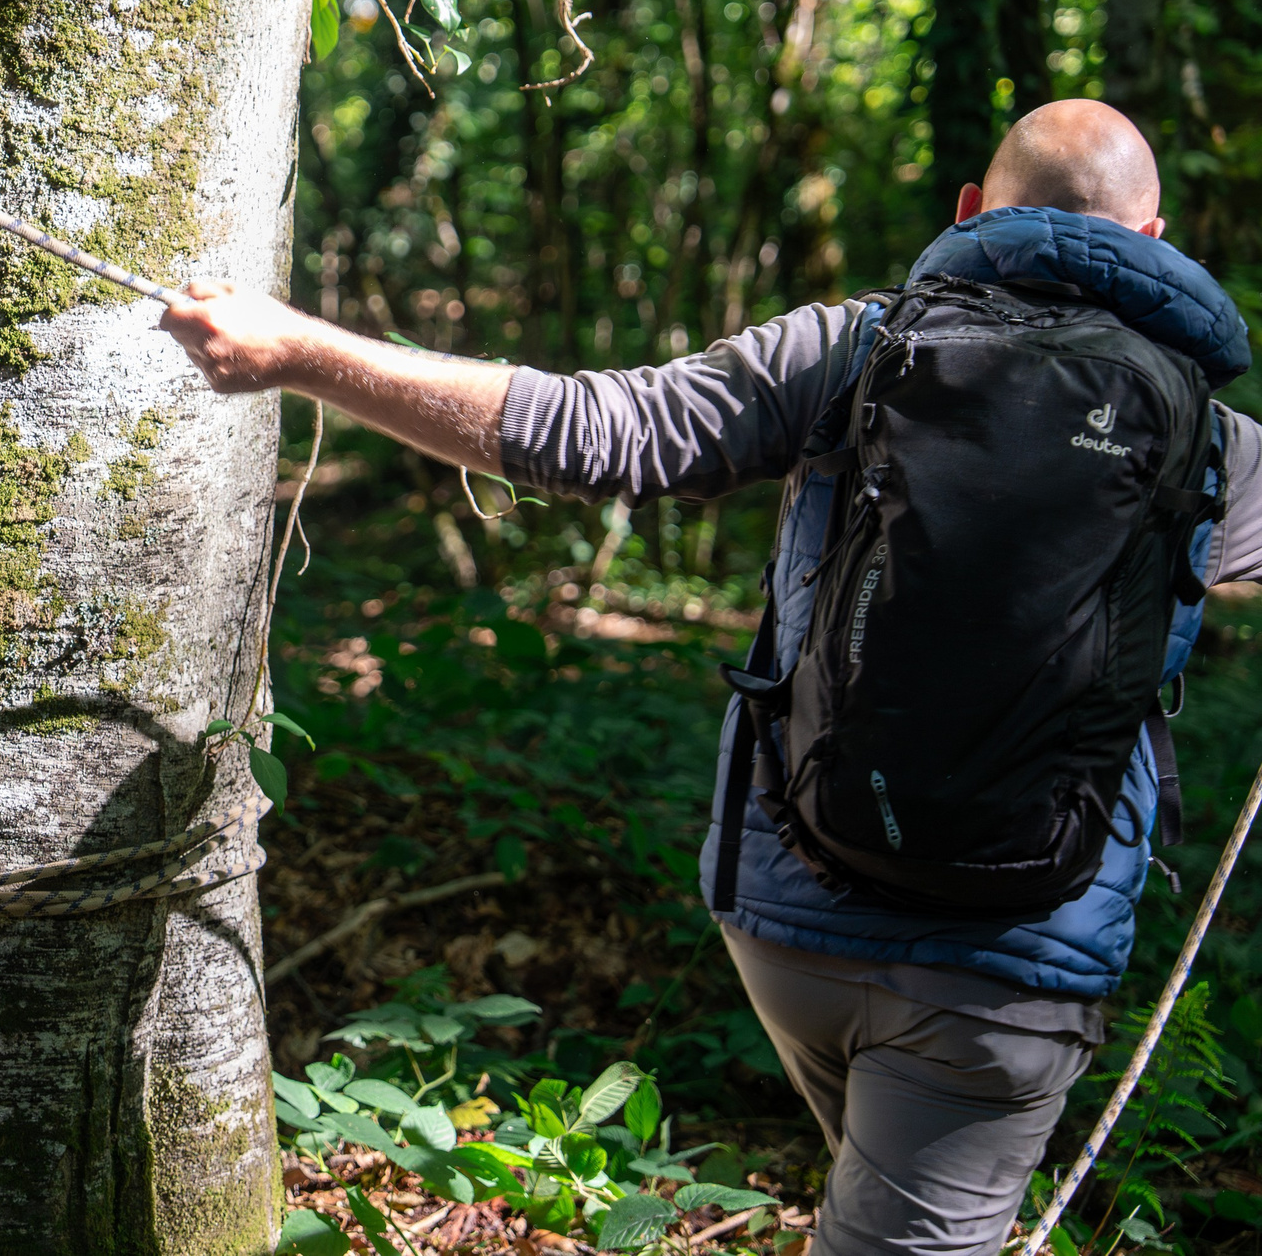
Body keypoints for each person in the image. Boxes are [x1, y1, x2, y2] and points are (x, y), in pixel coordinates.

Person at [160, 100, 1262, 1256]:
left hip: (792, 920)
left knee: (874, 1204)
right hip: (1011, 973)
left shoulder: (852, 349)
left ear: (973, 212)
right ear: (1153, 239)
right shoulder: (1213, 445)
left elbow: (597, 432)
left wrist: (298, 350)